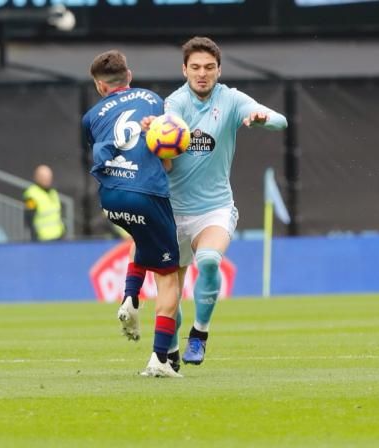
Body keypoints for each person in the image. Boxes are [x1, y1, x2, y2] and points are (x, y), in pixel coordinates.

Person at [142, 36, 287, 366]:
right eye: (195, 67)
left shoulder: (232, 100)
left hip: (214, 208)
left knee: (208, 260)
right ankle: (172, 351)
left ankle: (200, 334)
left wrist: (263, 117)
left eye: (209, 67)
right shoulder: (175, 103)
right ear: (184, 70)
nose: (202, 73)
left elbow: (281, 120)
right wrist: (156, 128)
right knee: (170, 297)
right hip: (171, 211)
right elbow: (167, 124)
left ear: (219, 70)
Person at [84, 50, 183, 377]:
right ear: (129, 75)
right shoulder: (153, 99)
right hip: (148, 192)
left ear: (100, 86)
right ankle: (159, 360)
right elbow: (164, 149)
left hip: (111, 197)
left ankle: (130, 297)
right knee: (169, 276)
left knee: (141, 238)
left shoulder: (91, 116)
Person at [23, 165, 65, 242]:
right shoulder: (31, 194)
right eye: (44, 177)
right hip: (42, 240)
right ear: (37, 177)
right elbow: (29, 218)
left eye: (49, 177)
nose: (47, 179)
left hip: (58, 238)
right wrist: (35, 237)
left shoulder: (53, 192)